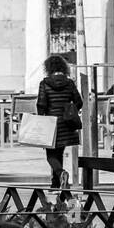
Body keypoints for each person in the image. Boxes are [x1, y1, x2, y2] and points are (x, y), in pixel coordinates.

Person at [36, 54, 82, 189]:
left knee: (50, 155)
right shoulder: (70, 83)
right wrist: (70, 110)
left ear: (49, 68)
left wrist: (41, 119)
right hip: (66, 124)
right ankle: (56, 183)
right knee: (59, 153)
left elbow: (41, 104)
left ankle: (60, 173)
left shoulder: (44, 83)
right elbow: (79, 102)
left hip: (51, 123)